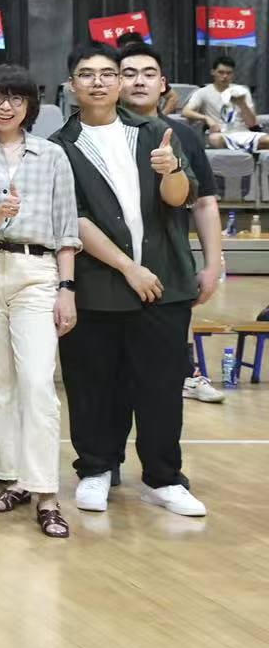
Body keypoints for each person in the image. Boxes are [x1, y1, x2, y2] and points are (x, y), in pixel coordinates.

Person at [54, 44, 203, 517]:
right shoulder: (59, 146)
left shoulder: (156, 132)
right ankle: (96, 470)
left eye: (107, 73)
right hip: (98, 285)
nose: (97, 82)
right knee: (93, 385)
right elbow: (73, 218)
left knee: (161, 388)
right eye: (86, 74)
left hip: (165, 283)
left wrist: (171, 171)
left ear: (119, 83)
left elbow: (180, 198)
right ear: (72, 86)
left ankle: (164, 478)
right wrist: (127, 267)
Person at [0, 66, 80, 539]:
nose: (5, 106)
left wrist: (66, 288)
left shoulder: (52, 155)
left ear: (30, 105)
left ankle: (47, 492)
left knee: (36, 383)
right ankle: (13, 479)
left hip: (37, 272)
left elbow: (66, 228)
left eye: (15, 98)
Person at [116, 45, 227, 404]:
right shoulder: (99, 134)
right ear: (115, 82)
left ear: (163, 84)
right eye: (129, 74)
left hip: (170, 263)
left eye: (149, 74)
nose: (139, 81)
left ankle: (187, 374)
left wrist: (213, 265)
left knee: (163, 384)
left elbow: (205, 202)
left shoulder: (185, 136)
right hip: (110, 268)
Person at [183, 55, 268, 151]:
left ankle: (246, 150)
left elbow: (252, 124)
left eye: (229, 73)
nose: (225, 76)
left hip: (243, 133)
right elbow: (186, 111)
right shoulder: (203, 92)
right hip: (221, 134)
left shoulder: (242, 91)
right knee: (214, 139)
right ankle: (244, 151)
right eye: (221, 72)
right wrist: (206, 118)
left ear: (233, 74)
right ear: (213, 72)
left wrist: (242, 104)